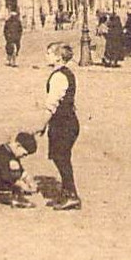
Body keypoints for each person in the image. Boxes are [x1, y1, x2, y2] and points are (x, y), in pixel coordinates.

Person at [39, 44, 81, 211]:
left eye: (49, 53)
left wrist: (41, 125)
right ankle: (67, 193)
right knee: (61, 157)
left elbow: (52, 104)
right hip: (67, 121)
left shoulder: (58, 77)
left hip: (63, 123)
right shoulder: (66, 73)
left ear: (58, 57)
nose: (46, 55)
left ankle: (71, 196)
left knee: (61, 158)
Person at [0, 132, 39, 208]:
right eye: (24, 154)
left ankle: (15, 194)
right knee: (13, 170)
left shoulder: (10, 152)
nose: (24, 157)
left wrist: (28, 180)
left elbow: (21, 171)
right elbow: (6, 175)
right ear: (18, 146)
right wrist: (22, 185)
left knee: (14, 168)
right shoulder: (2, 155)